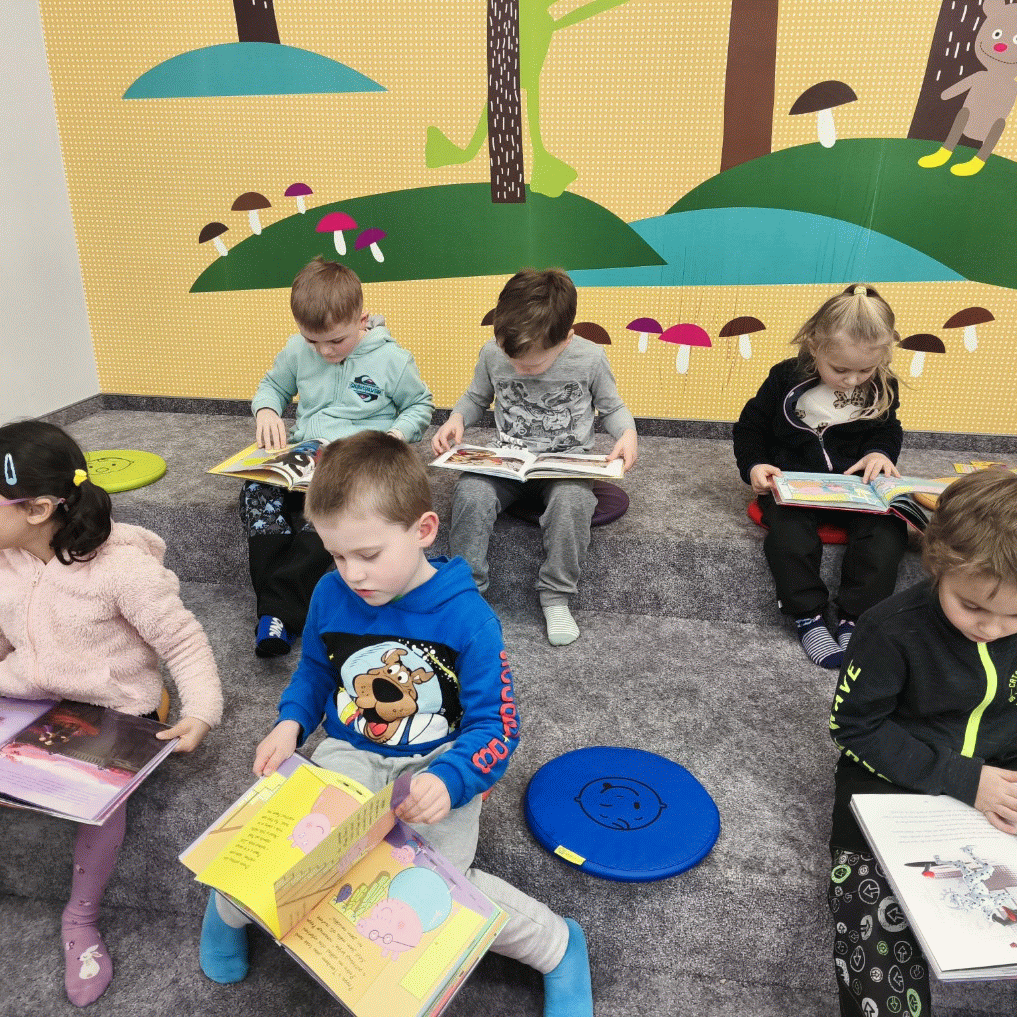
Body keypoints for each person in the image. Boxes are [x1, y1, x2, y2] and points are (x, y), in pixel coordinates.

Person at [200, 430, 594, 1017]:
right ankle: (225, 910)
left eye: (368, 555)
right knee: (292, 851)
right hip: (348, 752)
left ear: (424, 530)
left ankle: (557, 946)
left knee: (429, 886)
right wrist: (290, 723)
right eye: (336, 555)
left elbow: (498, 727)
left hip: (435, 765)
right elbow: (315, 671)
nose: (351, 574)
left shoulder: (470, 618)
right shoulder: (331, 592)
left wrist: (451, 780)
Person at [0, 420, 223, 1006]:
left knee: (99, 804)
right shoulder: (6, 557)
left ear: (38, 509)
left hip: (112, 705)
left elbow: (183, 642)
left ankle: (80, 918)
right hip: (29, 692)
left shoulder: (122, 569)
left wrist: (201, 711)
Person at [826, 467, 1017, 1015]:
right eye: (972, 606)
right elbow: (854, 728)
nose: (991, 629)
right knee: (873, 919)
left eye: (1013, 615)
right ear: (938, 563)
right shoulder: (890, 628)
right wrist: (963, 778)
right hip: (893, 786)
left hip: (1002, 779)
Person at [431, 268, 637, 646]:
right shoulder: (492, 353)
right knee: (471, 493)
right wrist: (457, 418)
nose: (519, 369)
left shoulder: (590, 357)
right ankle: (466, 592)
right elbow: (476, 397)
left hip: (564, 465)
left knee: (573, 501)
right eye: (512, 359)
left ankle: (556, 595)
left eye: (532, 366)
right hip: (507, 461)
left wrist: (627, 433)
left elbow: (612, 408)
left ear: (566, 338)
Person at [244, 256, 433, 657]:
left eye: (335, 341)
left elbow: (419, 405)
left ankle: (275, 615)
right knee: (255, 493)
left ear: (362, 320)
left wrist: (395, 436)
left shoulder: (392, 359)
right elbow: (272, 386)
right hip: (302, 457)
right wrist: (267, 410)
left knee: (336, 514)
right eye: (313, 341)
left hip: (354, 464)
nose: (324, 351)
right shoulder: (298, 350)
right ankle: (278, 607)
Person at [732, 283, 908, 669]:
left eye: (865, 369)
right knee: (789, 537)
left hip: (857, 488)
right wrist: (755, 465)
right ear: (815, 346)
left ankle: (856, 618)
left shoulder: (882, 385)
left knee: (889, 532)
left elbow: (887, 429)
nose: (852, 380)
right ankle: (808, 616)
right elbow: (750, 428)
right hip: (796, 486)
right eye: (840, 369)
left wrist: (880, 453)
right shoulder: (785, 378)